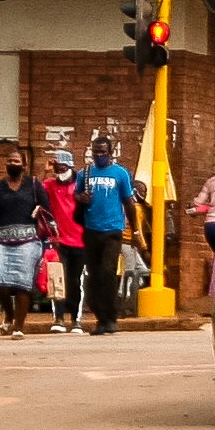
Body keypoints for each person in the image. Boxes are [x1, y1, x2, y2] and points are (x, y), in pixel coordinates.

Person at [71, 133, 145, 336]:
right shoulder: (84, 174)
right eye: (96, 152)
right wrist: (81, 198)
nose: (99, 155)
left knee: (107, 271)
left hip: (113, 230)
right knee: (94, 275)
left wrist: (136, 230)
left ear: (110, 153)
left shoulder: (120, 173)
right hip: (91, 229)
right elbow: (75, 196)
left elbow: (129, 202)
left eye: (103, 152)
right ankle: (101, 319)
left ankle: (111, 317)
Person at [0, 152, 48, 338]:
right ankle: (9, 314)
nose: (12, 163)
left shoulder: (34, 185)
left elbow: (47, 211)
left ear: (24, 165)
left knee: (23, 285)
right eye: (9, 160)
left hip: (29, 241)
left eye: (16, 161)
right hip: (2, 241)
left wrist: (52, 238)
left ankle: (19, 326)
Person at [40, 147, 87, 333]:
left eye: (62, 167)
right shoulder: (51, 185)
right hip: (59, 241)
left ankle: (76, 319)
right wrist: (45, 170)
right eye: (56, 167)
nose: (59, 171)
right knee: (57, 279)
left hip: (80, 241)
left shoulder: (80, 184)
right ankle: (58, 318)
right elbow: (36, 189)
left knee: (75, 281)